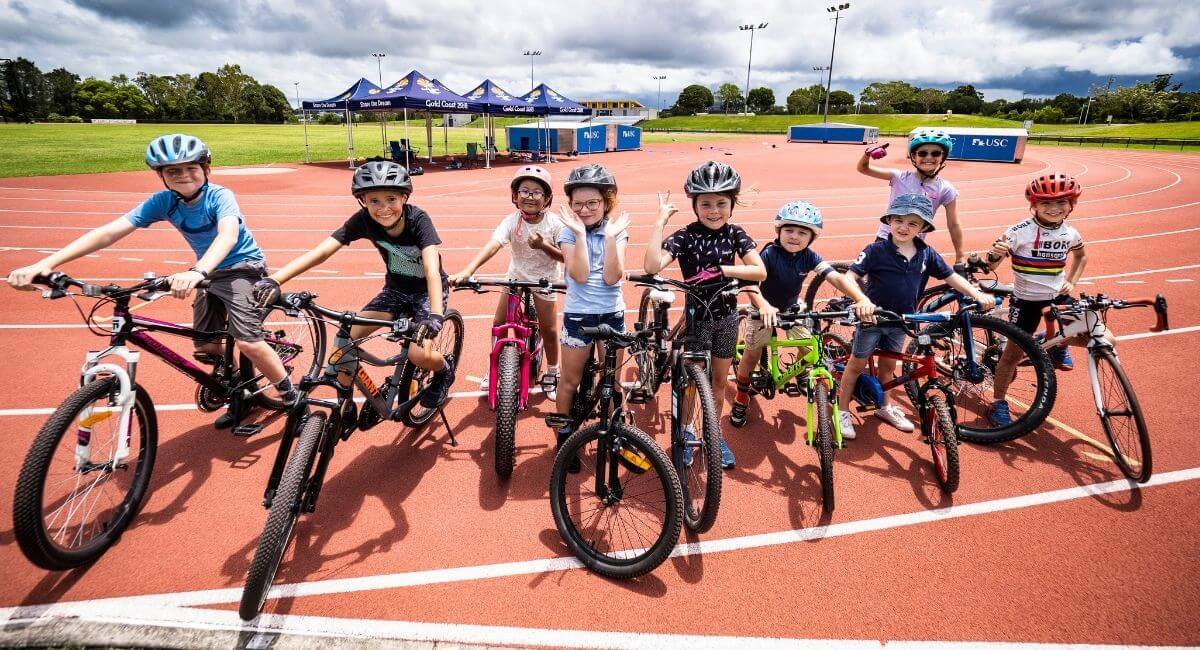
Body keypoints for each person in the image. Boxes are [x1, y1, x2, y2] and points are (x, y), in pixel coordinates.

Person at [6, 133, 295, 429]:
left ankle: (292, 400)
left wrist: (197, 272)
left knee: (248, 341)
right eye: (173, 171)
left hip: (242, 268)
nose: (183, 176)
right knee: (206, 347)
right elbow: (110, 232)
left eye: (191, 168)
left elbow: (227, 235)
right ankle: (243, 390)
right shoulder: (165, 202)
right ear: (161, 176)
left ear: (206, 169)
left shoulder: (219, 196)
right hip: (206, 271)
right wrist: (45, 264)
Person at [252, 160, 455, 413]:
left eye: (391, 199)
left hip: (426, 292)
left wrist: (435, 315)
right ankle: (343, 406)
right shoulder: (362, 221)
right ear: (363, 201)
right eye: (374, 201)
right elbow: (322, 251)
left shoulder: (418, 220)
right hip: (395, 291)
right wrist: (276, 279)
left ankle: (444, 372)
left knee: (418, 355)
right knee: (344, 342)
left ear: (404, 197)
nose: (383, 209)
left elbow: (431, 270)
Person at [837, 193, 995, 440]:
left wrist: (976, 293)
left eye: (913, 223)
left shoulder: (926, 253)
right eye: (899, 220)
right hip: (873, 319)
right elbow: (849, 277)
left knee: (889, 367)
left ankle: (884, 407)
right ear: (889, 220)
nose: (904, 227)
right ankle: (842, 411)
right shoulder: (875, 250)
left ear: (923, 228)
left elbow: (951, 277)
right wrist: (862, 300)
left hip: (902, 321)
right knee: (856, 365)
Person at [644, 160, 766, 469]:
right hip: (697, 317)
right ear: (695, 206)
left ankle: (712, 434)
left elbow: (759, 271)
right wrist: (659, 220)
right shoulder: (685, 236)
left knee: (718, 383)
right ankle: (685, 430)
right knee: (689, 383)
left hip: (726, 318)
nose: (714, 210)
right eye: (706, 204)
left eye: (721, 203)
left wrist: (722, 270)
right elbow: (651, 266)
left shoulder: (735, 234)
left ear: (732, 205)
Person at [732, 201, 875, 428]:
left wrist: (860, 298)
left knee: (810, 349)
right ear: (778, 231)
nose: (794, 236)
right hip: (763, 308)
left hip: (791, 309)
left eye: (802, 232)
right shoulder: (769, 254)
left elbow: (835, 277)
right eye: (789, 230)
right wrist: (763, 307)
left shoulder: (809, 256)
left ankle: (799, 373)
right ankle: (741, 394)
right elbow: (751, 285)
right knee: (752, 353)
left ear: (812, 237)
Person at [984, 172, 1101, 426]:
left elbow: (1081, 256)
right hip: (1025, 301)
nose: (1054, 208)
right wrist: (995, 254)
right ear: (1033, 205)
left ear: (1071, 205)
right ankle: (997, 403)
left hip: (1059, 297)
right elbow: (990, 264)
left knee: (1103, 338)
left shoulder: (1071, 233)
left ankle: (1057, 345)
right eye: (1046, 203)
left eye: (1061, 202)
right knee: (1011, 357)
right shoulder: (1018, 232)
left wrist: (1073, 280)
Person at [448, 165, 563, 399]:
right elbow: (493, 245)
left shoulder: (554, 224)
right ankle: (496, 368)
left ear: (547, 198)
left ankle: (553, 371)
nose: (529, 196)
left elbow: (565, 256)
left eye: (536, 192)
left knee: (549, 330)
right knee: (499, 323)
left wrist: (543, 245)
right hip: (516, 277)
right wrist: (468, 270)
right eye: (524, 191)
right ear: (515, 196)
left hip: (545, 280)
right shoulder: (512, 221)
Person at [553, 164, 629, 472]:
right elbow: (580, 275)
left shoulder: (617, 229)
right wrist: (580, 234)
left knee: (614, 382)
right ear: (570, 205)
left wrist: (611, 238)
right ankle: (564, 437)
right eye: (578, 204)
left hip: (612, 314)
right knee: (569, 381)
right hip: (578, 315)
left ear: (606, 202)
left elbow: (612, 277)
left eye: (592, 203)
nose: (584, 209)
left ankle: (615, 434)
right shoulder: (566, 230)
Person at [857, 129, 966, 264]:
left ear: (943, 157)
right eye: (922, 153)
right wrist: (867, 154)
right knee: (876, 281)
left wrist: (960, 256)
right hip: (886, 238)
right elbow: (863, 169)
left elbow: (954, 224)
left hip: (914, 243)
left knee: (911, 283)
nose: (929, 157)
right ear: (913, 156)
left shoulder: (945, 189)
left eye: (936, 153)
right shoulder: (899, 177)